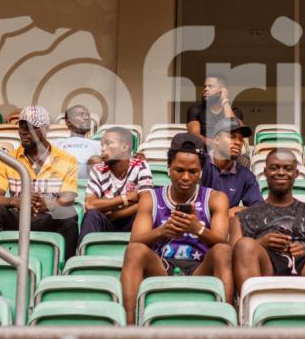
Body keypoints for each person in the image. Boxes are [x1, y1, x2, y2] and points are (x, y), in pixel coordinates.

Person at [120, 133, 232, 324]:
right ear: (168, 168)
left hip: (200, 267)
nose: (186, 177)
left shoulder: (215, 198)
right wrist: (162, 231)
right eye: (179, 170)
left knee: (222, 251)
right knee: (134, 251)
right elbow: (135, 240)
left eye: (193, 171)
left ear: (201, 171)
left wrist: (197, 229)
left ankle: (228, 326)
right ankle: (128, 329)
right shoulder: (150, 198)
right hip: (162, 266)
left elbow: (223, 242)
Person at [231, 149, 305, 302]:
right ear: (265, 172)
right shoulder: (244, 216)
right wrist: (260, 243)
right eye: (274, 168)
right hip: (265, 269)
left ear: (296, 173)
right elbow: (232, 257)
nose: (281, 172)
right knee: (245, 246)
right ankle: (254, 310)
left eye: (287, 168)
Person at [0, 106, 79, 259]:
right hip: (18, 218)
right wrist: (14, 201)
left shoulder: (67, 159)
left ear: (45, 130)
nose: (24, 131)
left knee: (68, 214)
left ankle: (66, 265)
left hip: (47, 218)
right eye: (21, 126)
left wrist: (48, 204)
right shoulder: (8, 159)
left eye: (31, 127)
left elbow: (68, 198)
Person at [81, 127, 154, 238]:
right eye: (102, 145)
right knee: (91, 215)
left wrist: (118, 214)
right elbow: (90, 204)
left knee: (143, 213)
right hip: (107, 221)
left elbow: (148, 202)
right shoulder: (98, 169)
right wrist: (126, 198)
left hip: (132, 220)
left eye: (108, 144)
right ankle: (85, 249)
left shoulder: (140, 166)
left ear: (124, 147)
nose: (103, 149)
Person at [201, 118, 263, 216]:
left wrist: (237, 210)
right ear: (216, 140)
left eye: (241, 139)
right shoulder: (200, 164)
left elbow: (259, 208)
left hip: (227, 224)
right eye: (232, 137)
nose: (238, 142)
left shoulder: (245, 175)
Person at [186, 73, 244, 144]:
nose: (205, 89)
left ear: (222, 91)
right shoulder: (196, 109)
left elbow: (236, 130)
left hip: (227, 149)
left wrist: (225, 101)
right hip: (203, 149)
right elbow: (194, 135)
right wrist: (215, 144)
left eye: (210, 86)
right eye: (204, 86)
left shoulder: (235, 111)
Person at [54, 105, 102, 179]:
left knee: (96, 160)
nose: (86, 118)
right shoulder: (57, 142)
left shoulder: (98, 143)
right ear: (69, 122)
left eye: (87, 115)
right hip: (62, 168)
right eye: (81, 114)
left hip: (87, 169)